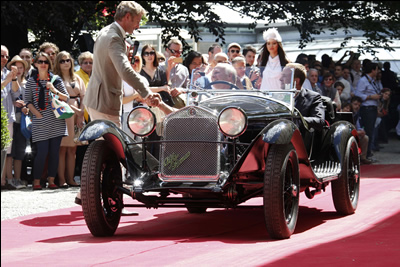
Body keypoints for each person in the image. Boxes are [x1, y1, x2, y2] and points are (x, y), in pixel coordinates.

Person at [83, 1, 161, 129]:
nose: (138, 26)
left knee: (106, 147)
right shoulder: (114, 37)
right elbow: (124, 70)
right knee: (112, 148)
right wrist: (147, 94)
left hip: (99, 101)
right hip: (105, 103)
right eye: (138, 21)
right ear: (127, 17)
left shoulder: (107, 31)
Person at [24, 52, 69, 190]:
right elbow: (27, 101)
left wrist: (54, 90)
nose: (43, 64)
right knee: (42, 152)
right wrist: (37, 114)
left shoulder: (56, 80)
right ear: (35, 63)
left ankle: (51, 180)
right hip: (40, 122)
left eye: (46, 62)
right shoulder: (31, 81)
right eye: (40, 61)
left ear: (49, 64)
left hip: (56, 121)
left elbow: (65, 98)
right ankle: (37, 180)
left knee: (54, 152)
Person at [53, 51, 85, 188]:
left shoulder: (77, 78)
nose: (66, 63)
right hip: (61, 112)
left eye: (68, 60)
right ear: (57, 63)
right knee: (62, 148)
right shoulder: (55, 78)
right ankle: (62, 179)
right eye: (62, 61)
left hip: (76, 112)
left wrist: (80, 114)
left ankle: (71, 178)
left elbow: (84, 96)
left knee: (73, 149)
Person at [280, 63, 325, 130]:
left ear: (296, 81)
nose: (280, 79)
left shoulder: (313, 97)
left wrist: (295, 120)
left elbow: (319, 120)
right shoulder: (278, 97)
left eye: (284, 76)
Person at [1, 45, 22, 190]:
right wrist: (7, 80)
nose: (4, 59)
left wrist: (13, 79)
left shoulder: (8, 73)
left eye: (6, 56)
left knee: (6, 151)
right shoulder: (6, 76)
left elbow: (16, 94)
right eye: (1, 56)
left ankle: (3, 181)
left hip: (7, 117)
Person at [355, 62, 380, 159]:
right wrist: (370, 97)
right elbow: (358, 94)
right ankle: (367, 154)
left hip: (373, 108)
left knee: (371, 130)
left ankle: (368, 152)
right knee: (369, 131)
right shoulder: (363, 80)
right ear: (373, 70)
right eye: (376, 70)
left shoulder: (372, 81)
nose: (377, 72)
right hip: (367, 108)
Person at [350, 96, 373, 164]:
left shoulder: (357, 114)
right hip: (348, 134)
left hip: (355, 133)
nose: (357, 107)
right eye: (355, 104)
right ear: (351, 104)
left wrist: (361, 130)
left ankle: (362, 158)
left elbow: (359, 125)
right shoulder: (346, 112)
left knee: (365, 137)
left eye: (359, 105)